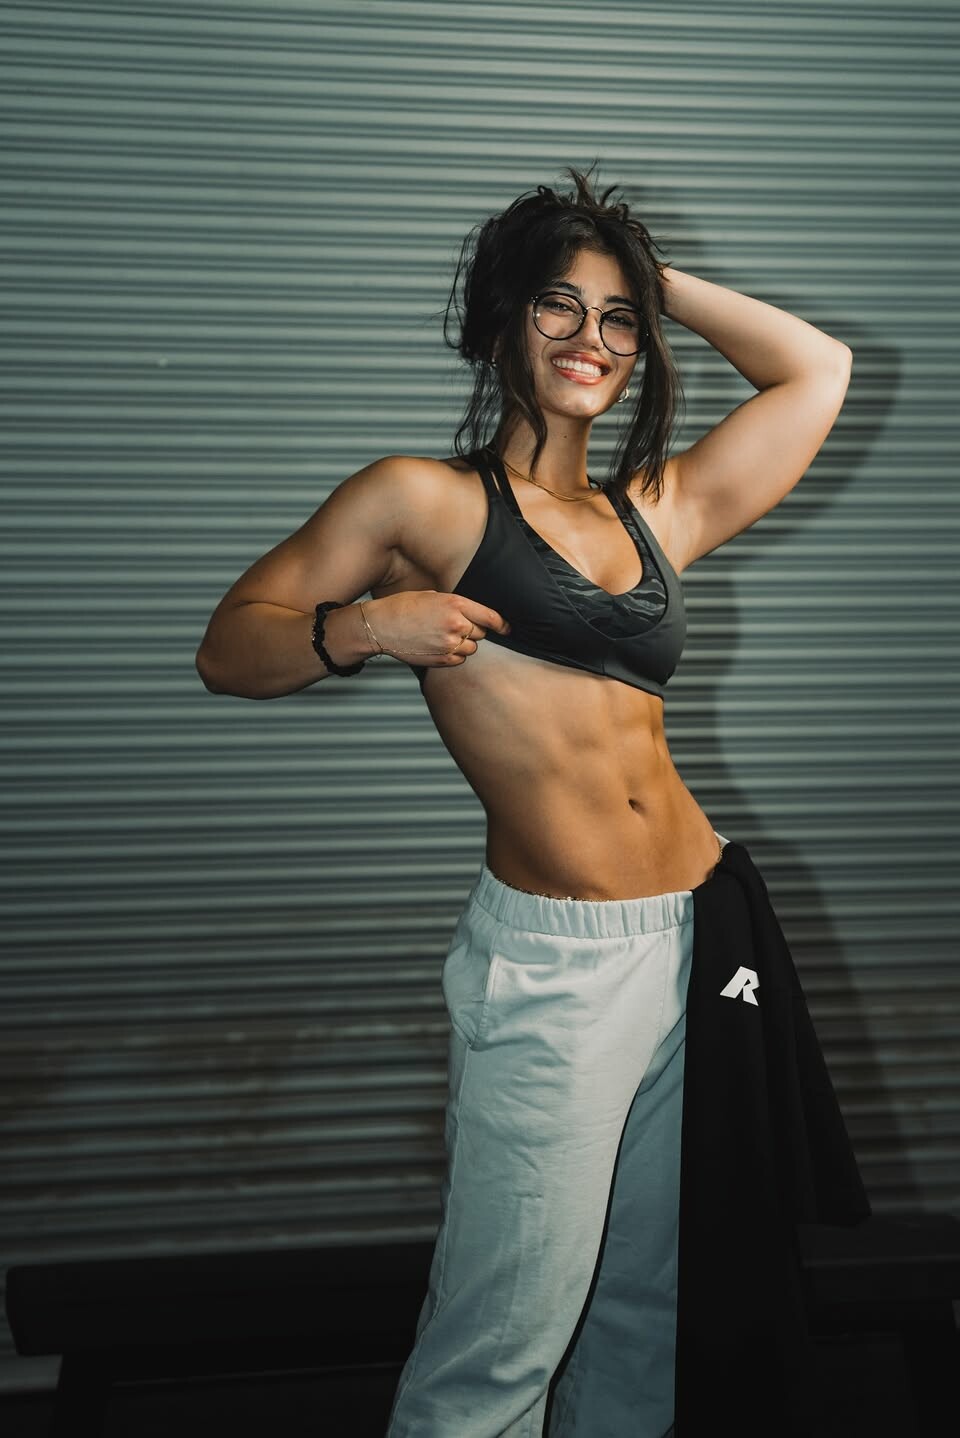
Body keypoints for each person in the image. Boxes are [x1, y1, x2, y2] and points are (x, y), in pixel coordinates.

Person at [196, 169, 854, 1437]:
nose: (588, 338)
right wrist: (366, 626)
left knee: (645, 1312)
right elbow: (229, 648)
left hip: (693, 931)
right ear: (501, 320)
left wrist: (646, 276)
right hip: (556, 962)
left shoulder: (657, 509)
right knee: (503, 1336)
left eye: (617, 319)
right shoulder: (421, 500)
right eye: (558, 305)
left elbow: (817, 369)